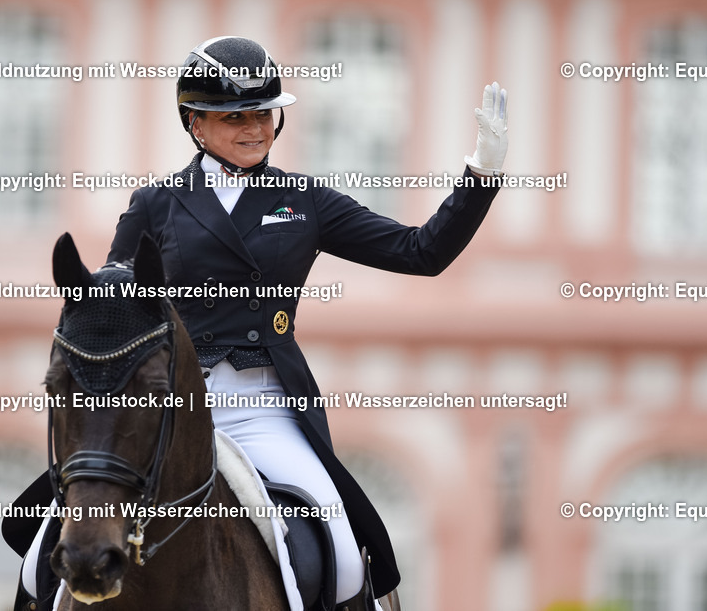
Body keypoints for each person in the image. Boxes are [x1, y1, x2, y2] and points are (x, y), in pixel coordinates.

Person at [105, 36, 508, 610]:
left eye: (265, 113)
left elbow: (420, 252)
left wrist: (481, 174)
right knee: (47, 548)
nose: (255, 128)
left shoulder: (303, 201)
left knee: (343, 555)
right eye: (234, 116)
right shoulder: (157, 203)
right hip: (168, 407)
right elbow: (111, 305)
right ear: (194, 122)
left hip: (262, 407)